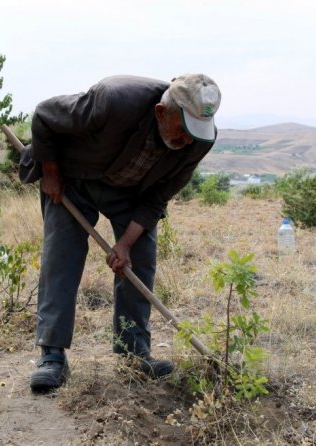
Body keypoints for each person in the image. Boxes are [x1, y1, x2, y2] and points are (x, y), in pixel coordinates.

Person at [21, 73, 221, 392]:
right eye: (183, 130)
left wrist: (125, 244)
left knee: (139, 258)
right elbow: (45, 114)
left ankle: (133, 354)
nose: (187, 140)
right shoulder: (115, 100)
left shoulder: (198, 142)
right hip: (74, 179)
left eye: (195, 133)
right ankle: (52, 355)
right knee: (62, 257)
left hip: (131, 193)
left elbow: (156, 199)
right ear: (160, 112)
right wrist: (51, 172)